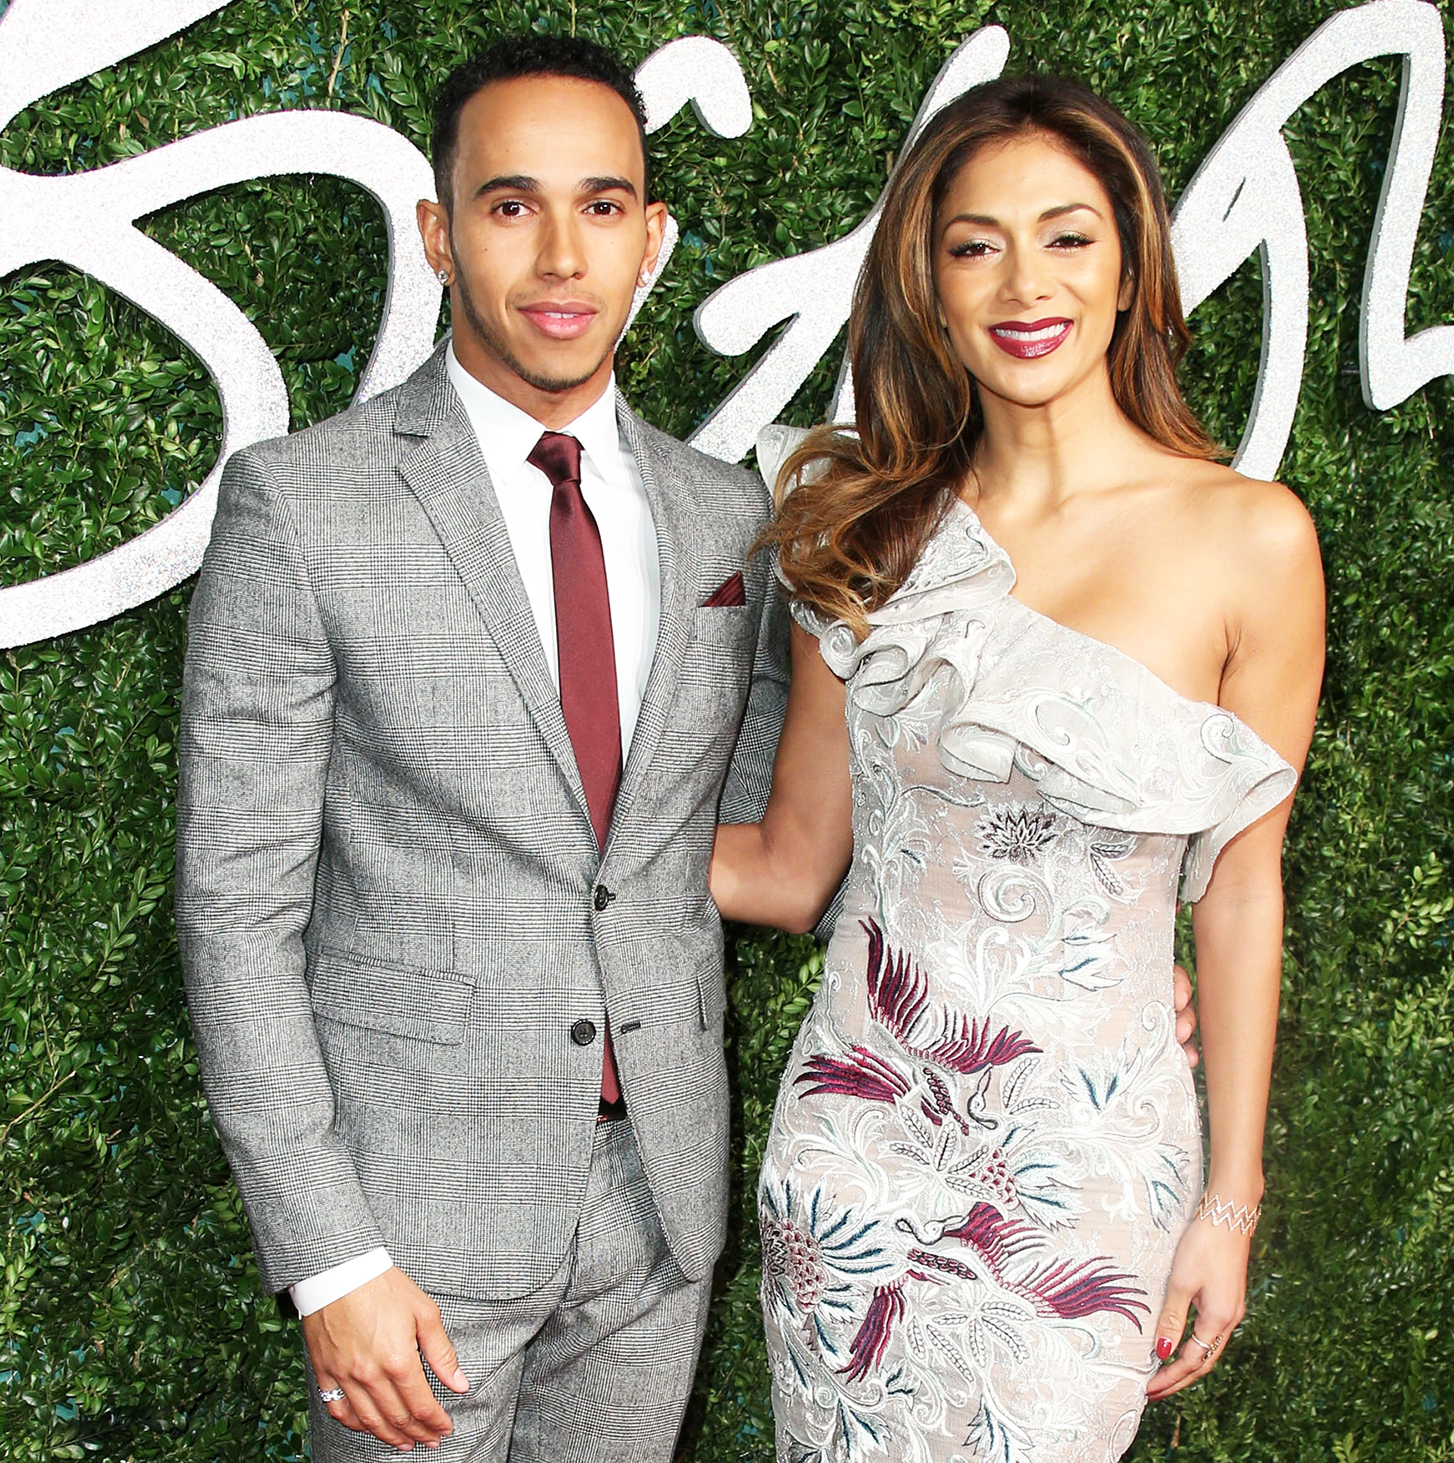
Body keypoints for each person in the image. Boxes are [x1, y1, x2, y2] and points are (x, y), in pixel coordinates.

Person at [174, 35, 791, 1461]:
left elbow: (763, 826)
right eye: (513, 206)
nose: (563, 254)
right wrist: (330, 1256)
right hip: (408, 1226)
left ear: (655, 238)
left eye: (603, 205)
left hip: (660, 1212)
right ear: (442, 235)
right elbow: (234, 907)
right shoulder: (304, 505)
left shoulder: (725, 516)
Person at [710, 74, 1324, 1462]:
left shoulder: (1253, 540)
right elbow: (796, 858)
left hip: (1091, 1170)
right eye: (976, 243)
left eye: (1067, 236)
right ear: (927, 284)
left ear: (1130, 269)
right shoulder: (859, 524)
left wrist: (1230, 1198)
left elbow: (1238, 894)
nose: (1022, 281)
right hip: (853, 1149)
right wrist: (534, 839)